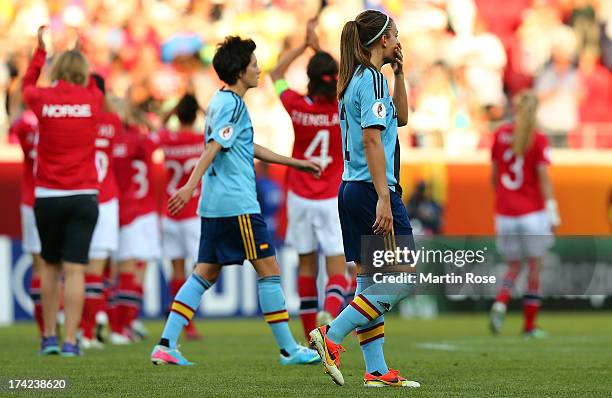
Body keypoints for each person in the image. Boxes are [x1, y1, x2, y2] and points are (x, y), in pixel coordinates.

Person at [149, 36, 321, 366]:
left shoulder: (219, 101)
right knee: (269, 269)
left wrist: (295, 162)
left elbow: (246, 146)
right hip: (237, 203)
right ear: (241, 70)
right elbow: (214, 147)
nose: (258, 70)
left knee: (205, 274)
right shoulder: (233, 104)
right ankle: (288, 349)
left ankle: (166, 343)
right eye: (254, 64)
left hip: (215, 205)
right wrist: (188, 185)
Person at [308, 10, 421, 388]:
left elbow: (400, 118)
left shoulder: (362, 78)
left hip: (351, 189)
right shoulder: (370, 78)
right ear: (382, 41)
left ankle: (375, 370)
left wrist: (401, 75)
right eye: (395, 35)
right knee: (405, 277)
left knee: (370, 282)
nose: (399, 41)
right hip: (372, 190)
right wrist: (383, 199)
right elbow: (373, 140)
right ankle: (331, 336)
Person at [23, 26, 103, 356]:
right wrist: (83, 47)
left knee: (50, 268)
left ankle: (49, 337)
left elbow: (26, 85)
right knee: (75, 270)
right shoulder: (93, 99)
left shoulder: (42, 99)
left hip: (48, 196)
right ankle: (71, 341)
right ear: (83, 71)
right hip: (84, 195)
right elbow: (96, 81)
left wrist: (40, 52)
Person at [270, 19, 348, 340]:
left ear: (309, 79)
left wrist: (305, 45)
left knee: (305, 268)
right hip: (332, 196)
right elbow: (356, 75)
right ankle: (329, 313)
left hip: (300, 196)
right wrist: (324, 51)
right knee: (338, 270)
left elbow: (275, 75)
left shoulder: (295, 105)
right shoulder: (345, 107)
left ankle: (309, 339)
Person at [489, 90, 560, 338]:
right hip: (532, 213)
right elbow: (544, 179)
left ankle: (501, 301)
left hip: (505, 213)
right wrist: (553, 212)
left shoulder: (499, 135)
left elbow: (494, 178)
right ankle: (529, 325)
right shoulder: (538, 139)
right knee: (534, 268)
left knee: (513, 266)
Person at [112, 102, 161, 344]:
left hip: (123, 210)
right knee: (136, 269)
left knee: (122, 269)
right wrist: (146, 120)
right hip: (143, 211)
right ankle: (122, 324)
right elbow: (157, 135)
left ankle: (122, 322)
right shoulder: (139, 139)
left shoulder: (113, 140)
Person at [80, 74, 122, 349]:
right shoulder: (112, 122)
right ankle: (87, 329)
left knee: (74, 267)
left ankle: (78, 326)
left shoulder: (77, 121)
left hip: (80, 193)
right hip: (106, 199)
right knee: (98, 267)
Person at [158, 93, 204, 340]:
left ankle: (182, 321)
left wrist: (170, 111)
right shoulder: (200, 139)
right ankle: (188, 320)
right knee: (199, 271)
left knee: (176, 269)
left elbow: (156, 128)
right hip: (193, 213)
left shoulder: (167, 138)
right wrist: (202, 109)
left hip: (170, 212)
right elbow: (217, 129)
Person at [11, 106, 44, 337]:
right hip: (56, 194)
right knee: (65, 267)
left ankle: (46, 333)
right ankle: (74, 328)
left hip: (30, 200)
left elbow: (14, 132)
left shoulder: (24, 124)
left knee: (40, 268)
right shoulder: (58, 122)